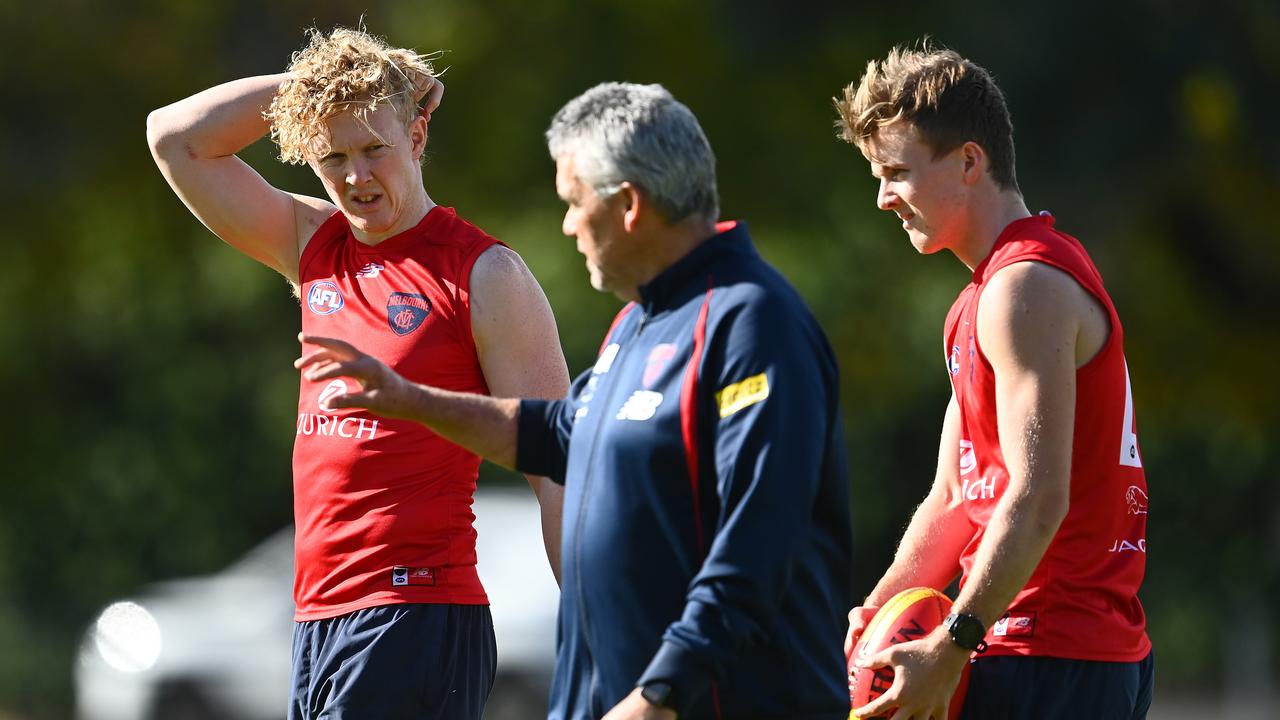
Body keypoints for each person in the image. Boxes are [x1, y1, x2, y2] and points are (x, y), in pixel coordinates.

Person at [296, 81, 853, 720]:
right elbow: (557, 434)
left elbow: (758, 543)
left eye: (574, 201)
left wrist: (663, 690)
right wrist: (412, 400)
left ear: (629, 205)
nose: (566, 224)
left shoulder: (752, 322)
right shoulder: (638, 326)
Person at [146, 26, 570, 720]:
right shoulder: (312, 244)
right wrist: (317, 91)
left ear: (418, 137)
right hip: (318, 618)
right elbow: (174, 138)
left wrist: (595, 629)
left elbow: (556, 466)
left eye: (375, 148)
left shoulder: (485, 274)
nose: (356, 177)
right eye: (333, 156)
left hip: (417, 611)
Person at [833, 44, 1153, 719]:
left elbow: (1039, 497)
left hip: (1052, 656)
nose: (883, 197)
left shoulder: (1026, 286)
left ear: (971, 162)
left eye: (896, 172)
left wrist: (951, 643)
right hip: (1019, 650)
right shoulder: (982, 299)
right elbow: (954, 498)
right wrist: (866, 630)